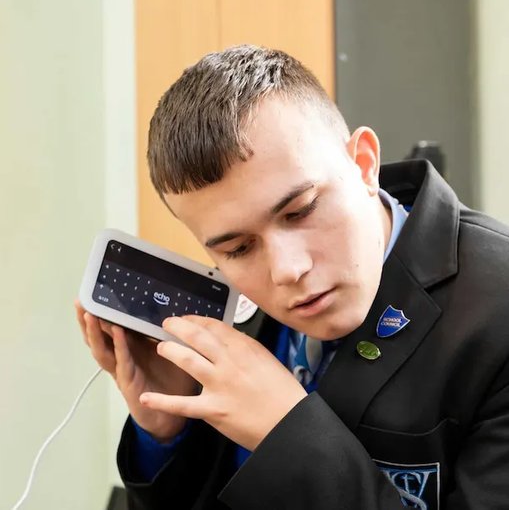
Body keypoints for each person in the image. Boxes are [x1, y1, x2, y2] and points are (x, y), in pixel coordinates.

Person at [75, 45, 509, 509]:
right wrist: (168, 434)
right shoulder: (228, 314)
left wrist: (287, 432)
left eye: (300, 211)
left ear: (363, 163)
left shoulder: (496, 309)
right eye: (237, 248)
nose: (286, 271)